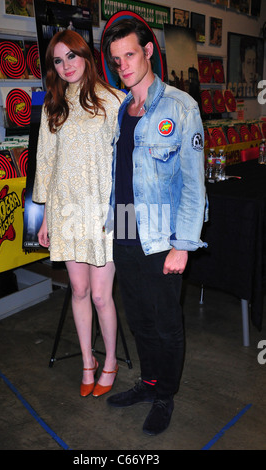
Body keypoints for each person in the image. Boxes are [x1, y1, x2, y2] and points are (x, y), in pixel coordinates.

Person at [102, 17, 207, 435]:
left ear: (148, 52)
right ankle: (146, 383)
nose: (123, 65)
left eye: (130, 54)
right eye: (116, 59)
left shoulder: (181, 107)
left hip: (163, 235)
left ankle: (165, 394)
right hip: (124, 229)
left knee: (165, 323)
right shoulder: (119, 110)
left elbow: (194, 184)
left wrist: (183, 244)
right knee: (140, 318)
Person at [32, 30, 124, 398]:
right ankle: (87, 361)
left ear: (87, 55)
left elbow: (128, 165)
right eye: (58, 60)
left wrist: (128, 219)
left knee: (103, 296)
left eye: (72, 56)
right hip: (65, 209)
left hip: (105, 212)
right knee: (80, 290)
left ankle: (111, 360)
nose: (66, 65)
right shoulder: (53, 105)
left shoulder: (116, 100)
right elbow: (45, 162)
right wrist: (44, 218)